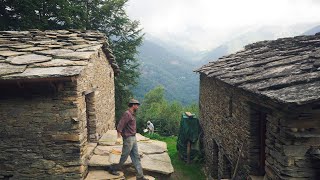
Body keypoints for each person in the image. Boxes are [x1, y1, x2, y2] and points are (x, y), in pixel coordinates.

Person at [108, 99, 148, 180]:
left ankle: (140, 176)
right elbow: (120, 125)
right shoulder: (127, 114)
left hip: (133, 138)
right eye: (137, 105)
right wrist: (118, 137)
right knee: (124, 156)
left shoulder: (132, 114)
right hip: (128, 139)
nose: (138, 107)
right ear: (133, 105)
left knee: (136, 157)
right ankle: (113, 168)